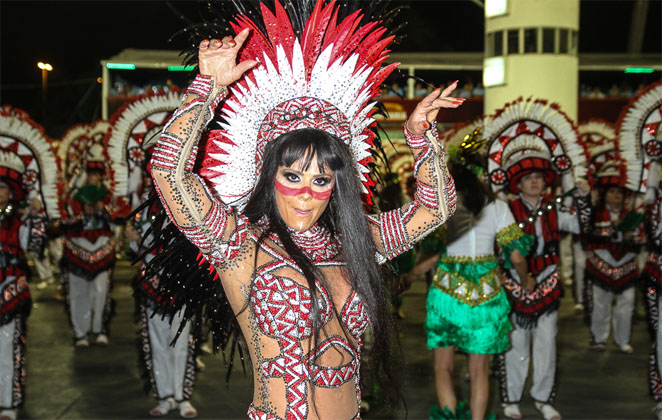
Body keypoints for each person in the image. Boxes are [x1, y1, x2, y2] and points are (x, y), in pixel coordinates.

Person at [149, 2, 462, 418]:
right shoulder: (239, 244)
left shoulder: (356, 241)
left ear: (337, 186)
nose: (305, 193)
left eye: (320, 180)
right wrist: (206, 88)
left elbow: (437, 208)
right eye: (292, 176)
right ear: (268, 176)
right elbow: (168, 171)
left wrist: (420, 137)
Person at [481, 98, 592, 420]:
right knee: (516, 341)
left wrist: (583, 196)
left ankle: (543, 398)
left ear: (546, 180)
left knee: (547, 341)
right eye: (528, 178)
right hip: (514, 281)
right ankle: (511, 398)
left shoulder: (557, 207)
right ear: (517, 182)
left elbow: (581, 224)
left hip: (550, 278)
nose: (534, 181)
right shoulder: (505, 209)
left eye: (539, 177)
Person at [422, 159, 534, 420]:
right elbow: (516, 256)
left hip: (446, 292)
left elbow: (429, 250)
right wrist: (526, 279)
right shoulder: (498, 206)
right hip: (487, 293)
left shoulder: (442, 205)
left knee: (443, 368)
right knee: (480, 369)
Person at [127, 177, 198, 419]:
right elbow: (137, 245)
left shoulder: (186, 197)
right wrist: (132, 238)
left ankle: (182, 397)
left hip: (181, 283)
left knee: (181, 341)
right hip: (152, 282)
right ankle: (165, 395)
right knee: (157, 341)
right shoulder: (145, 204)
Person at [60, 148, 117, 348]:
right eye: (90, 174)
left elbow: (118, 217)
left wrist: (105, 210)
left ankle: (100, 328)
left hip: (102, 247)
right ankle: (80, 332)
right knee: (78, 292)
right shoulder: (71, 197)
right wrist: (82, 214)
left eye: (97, 175)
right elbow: (63, 221)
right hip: (77, 248)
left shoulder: (108, 196)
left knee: (101, 290)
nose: (93, 178)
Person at [583, 164, 642, 354]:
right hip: (601, 264)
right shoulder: (594, 213)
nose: (617, 195)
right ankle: (599, 338)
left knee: (627, 303)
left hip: (627, 264)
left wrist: (631, 237)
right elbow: (588, 234)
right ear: (605, 194)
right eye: (613, 192)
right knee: (601, 303)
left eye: (620, 192)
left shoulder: (633, 216)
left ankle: (622, 339)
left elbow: (643, 240)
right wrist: (611, 228)